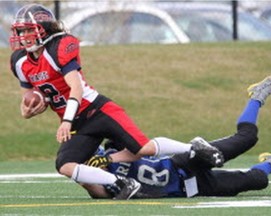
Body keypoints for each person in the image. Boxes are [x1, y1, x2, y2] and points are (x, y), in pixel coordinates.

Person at [9, 4, 224, 200]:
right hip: (78, 124)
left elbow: (76, 87)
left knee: (143, 148)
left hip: (97, 110)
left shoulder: (58, 48)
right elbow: (27, 98)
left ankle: (193, 147)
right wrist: (29, 109)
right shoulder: (20, 61)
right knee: (64, 166)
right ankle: (121, 183)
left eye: (29, 29)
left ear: (44, 29)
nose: (24, 35)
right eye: (22, 31)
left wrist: (65, 120)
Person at [83, 74, 271, 199]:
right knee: (256, 180)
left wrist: (109, 158)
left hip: (184, 162)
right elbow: (97, 193)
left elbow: (139, 147)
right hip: (190, 188)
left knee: (248, 137)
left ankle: (257, 96)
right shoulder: (105, 184)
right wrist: (84, 178)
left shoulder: (112, 146)